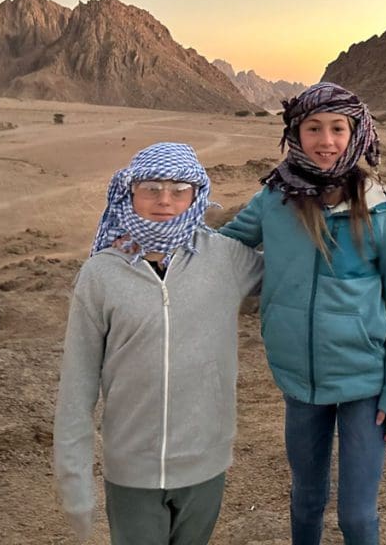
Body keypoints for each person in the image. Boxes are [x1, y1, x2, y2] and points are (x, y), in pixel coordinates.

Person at [219, 82, 386, 545]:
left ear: (356, 134)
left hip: (365, 383)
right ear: (296, 132)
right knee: (306, 499)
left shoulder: (378, 211)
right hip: (300, 380)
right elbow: (226, 246)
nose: (325, 141)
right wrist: (160, 241)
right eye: (313, 128)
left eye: (337, 128)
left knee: (356, 516)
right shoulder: (275, 199)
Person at [53, 142, 262, 545]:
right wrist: (74, 481)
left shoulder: (226, 259)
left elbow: (295, 277)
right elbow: (76, 388)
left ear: (196, 194)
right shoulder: (101, 275)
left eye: (179, 189)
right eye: (151, 188)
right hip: (133, 470)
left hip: (206, 465)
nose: (164, 201)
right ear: (130, 193)